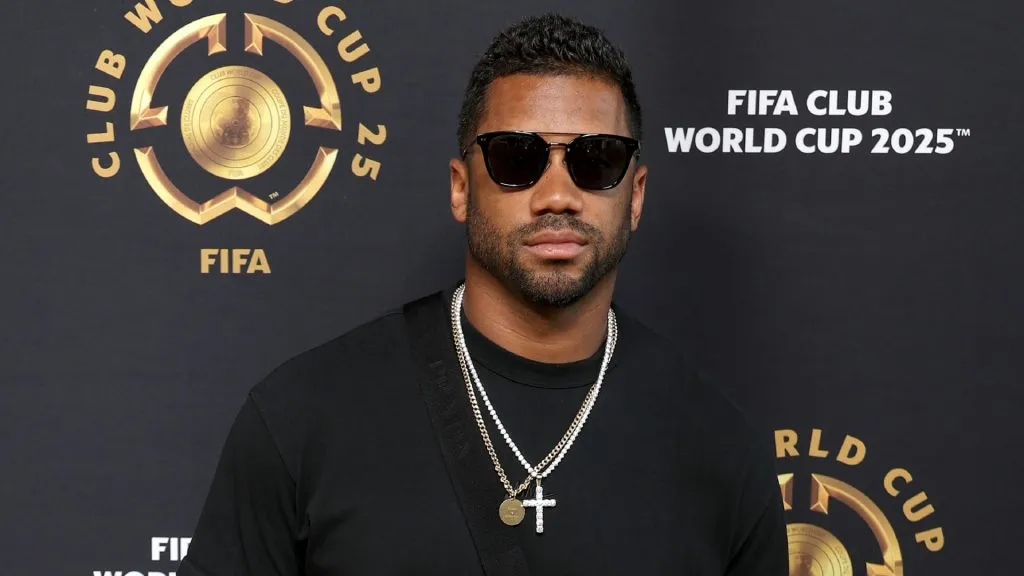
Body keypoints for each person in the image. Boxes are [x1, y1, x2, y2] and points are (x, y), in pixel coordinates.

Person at [177, 13, 788, 576]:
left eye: (596, 161)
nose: (557, 196)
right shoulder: (302, 418)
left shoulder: (720, 449)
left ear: (635, 195)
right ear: (461, 188)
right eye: (516, 158)